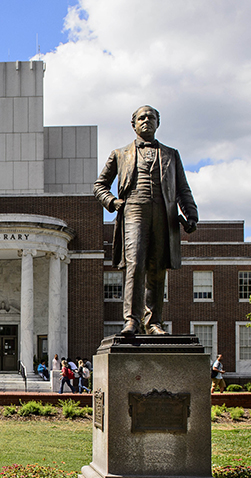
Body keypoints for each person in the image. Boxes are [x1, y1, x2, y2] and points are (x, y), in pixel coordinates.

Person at [94, 106, 199, 336]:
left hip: (164, 212)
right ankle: (131, 320)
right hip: (133, 209)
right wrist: (112, 202)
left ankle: (153, 322)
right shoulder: (120, 153)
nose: (146, 121)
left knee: (157, 267)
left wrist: (191, 215)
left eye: (151, 117)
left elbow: (182, 189)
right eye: (141, 117)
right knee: (135, 264)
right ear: (134, 124)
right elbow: (99, 186)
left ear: (157, 124)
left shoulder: (171, 154)